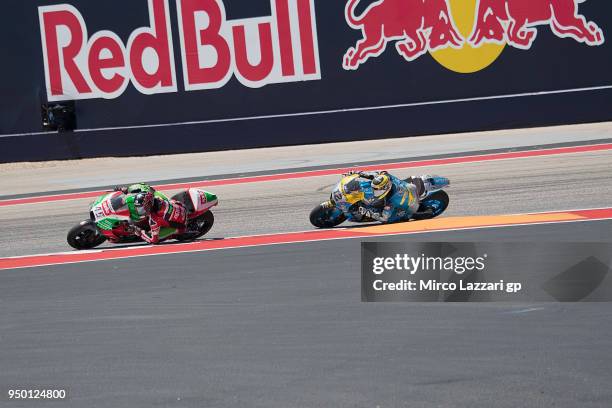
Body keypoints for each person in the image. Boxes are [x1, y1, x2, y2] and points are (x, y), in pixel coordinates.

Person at [341, 170, 427, 222]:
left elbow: (384, 218)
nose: (375, 191)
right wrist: (355, 173)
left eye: (378, 189)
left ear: (386, 187)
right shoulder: (384, 176)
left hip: (406, 203)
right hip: (408, 184)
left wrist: (364, 210)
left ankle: (420, 214)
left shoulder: (391, 201)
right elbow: (371, 175)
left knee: (398, 218)